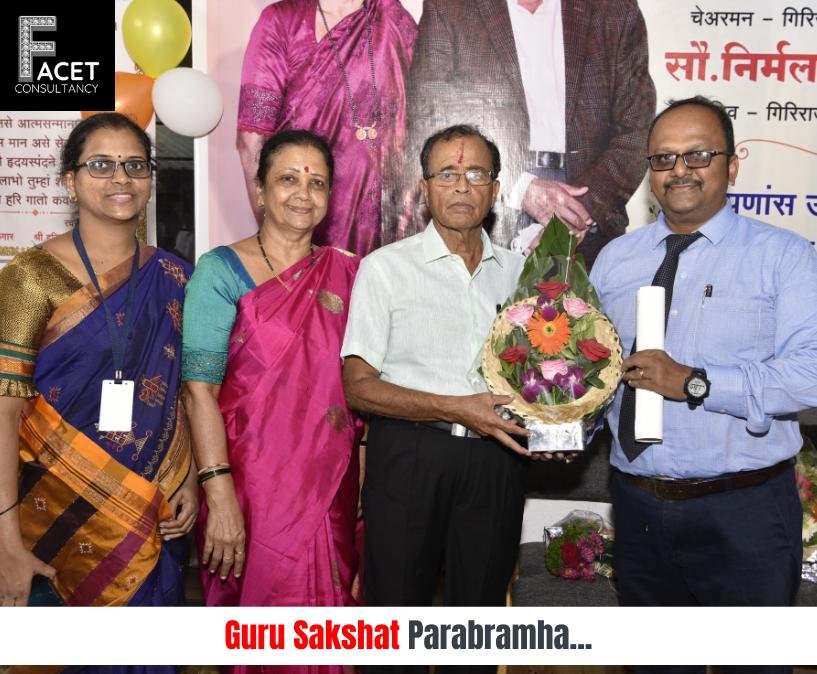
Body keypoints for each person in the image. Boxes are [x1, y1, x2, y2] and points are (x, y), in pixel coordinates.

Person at [590, 97, 817, 673]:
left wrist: (693, 382)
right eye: (663, 158)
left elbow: (810, 376)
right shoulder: (614, 260)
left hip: (745, 514)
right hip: (638, 508)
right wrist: (567, 421)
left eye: (698, 155)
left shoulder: (785, 257)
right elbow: (597, 373)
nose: (679, 170)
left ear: (732, 165)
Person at [0, 113, 196, 620]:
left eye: (135, 165)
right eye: (101, 165)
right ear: (70, 181)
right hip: (51, 513)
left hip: (153, 506)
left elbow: (186, 391)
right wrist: (6, 541)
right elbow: (3, 414)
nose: (121, 178)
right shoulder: (29, 278)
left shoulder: (177, 277)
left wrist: (189, 475)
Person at [342, 125, 529, 636]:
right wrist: (456, 407)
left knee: (479, 618)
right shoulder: (385, 268)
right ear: (424, 188)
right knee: (395, 616)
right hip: (410, 456)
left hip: (497, 461)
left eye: (476, 174)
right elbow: (358, 386)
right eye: (447, 174)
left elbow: (540, 375)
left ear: (495, 188)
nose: (462, 186)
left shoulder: (521, 273)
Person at [182, 131, 362, 633]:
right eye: (287, 179)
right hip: (248, 488)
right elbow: (199, 392)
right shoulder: (219, 272)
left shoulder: (350, 274)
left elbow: (359, 390)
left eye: (317, 182)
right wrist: (219, 495)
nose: (303, 193)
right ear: (260, 190)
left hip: (332, 483)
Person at [393, 0, 656, 268]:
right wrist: (519, 188)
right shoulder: (452, 7)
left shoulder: (614, 9)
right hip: (486, 217)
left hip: (587, 226)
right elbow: (430, 119)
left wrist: (580, 209)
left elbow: (637, 130)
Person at [237, 0, 417, 256]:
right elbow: (252, 142)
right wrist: (274, 234)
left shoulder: (393, 17)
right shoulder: (282, 21)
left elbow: (421, 126)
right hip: (305, 219)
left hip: (383, 228)